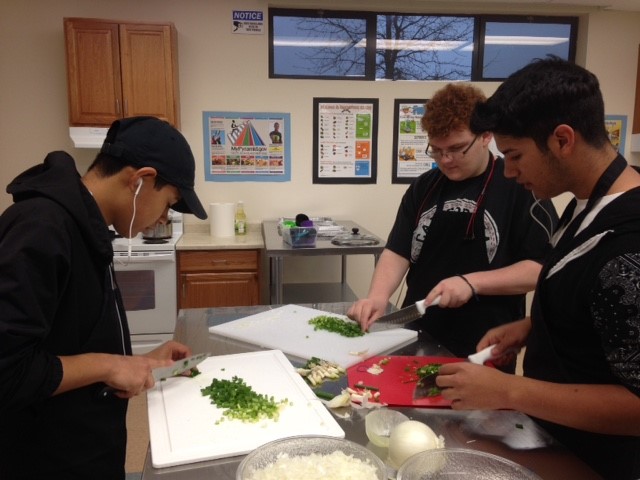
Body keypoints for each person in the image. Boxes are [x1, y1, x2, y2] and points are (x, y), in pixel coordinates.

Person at [436, 58, 640, 478]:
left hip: (604, 464)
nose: (509, 172)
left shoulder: (630, 245)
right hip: (560, 442)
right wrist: (535, 326)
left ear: (563, 139)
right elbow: (596, 305)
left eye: (515, 155)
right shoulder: (585, 206)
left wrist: (510, 389)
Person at [0, 116, 208, 479]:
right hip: (44, 460)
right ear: (141, 180)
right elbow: (8, 369)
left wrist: (140, 362)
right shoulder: (41, 227)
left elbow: (68, 338)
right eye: (168, 203)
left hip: (86, 448)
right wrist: (111, 366)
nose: (163, 218)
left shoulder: (86, 225)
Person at [348, 84, 557, 367]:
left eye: (457, 149)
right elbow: (398, 251)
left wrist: (472, 283)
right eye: (437, 150)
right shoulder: (423, 187)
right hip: (416, 337)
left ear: (485, 136)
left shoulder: (521, 186)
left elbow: (542, 269)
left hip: (485, 344)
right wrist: (377, 297)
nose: (445, 160)